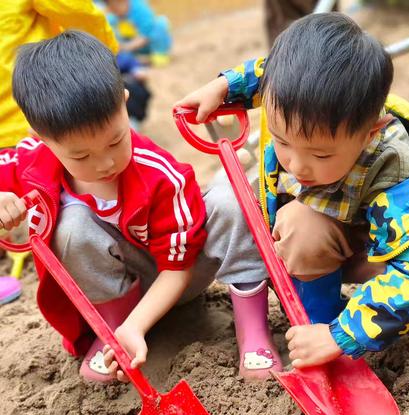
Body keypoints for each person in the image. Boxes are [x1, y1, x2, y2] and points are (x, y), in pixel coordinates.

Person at [176, 13, 409, 369]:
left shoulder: (396, 175)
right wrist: (227, 87)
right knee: (299, 227)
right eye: (282, 141)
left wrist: (343, 336)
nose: (297, 165)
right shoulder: (293, 102)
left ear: (369, 132)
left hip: (386, 253)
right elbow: (269, 73)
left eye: (320, 154)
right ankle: (318, 319)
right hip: (331, 232)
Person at [0, 30, 281, 383]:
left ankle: (253, 332)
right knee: (70, 224)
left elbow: (177, 267)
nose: (104, 164)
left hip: (178, 274)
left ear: (124, 101)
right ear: (41, 137)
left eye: (116, 140)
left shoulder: (159, 175)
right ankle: (111, 333)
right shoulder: (29, 163)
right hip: (119, 288)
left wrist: (139, 324)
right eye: (81, 156)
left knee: (231, 198)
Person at [0, 0, 118, 305]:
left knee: (79, 194)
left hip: (46, 121)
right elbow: (82, 14)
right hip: (34, 131)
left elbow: (77, 12)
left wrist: (101, 74)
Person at [103, 0, 172, 67]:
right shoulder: (113, 18)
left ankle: (159, 54)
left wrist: (126, 47)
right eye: (111, 8)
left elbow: (146, 34)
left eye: (115, 8)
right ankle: (142, 59)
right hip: (134, 47)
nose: (113, 11)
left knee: (159, 27)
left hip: (148, 43)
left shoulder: (139, 9)